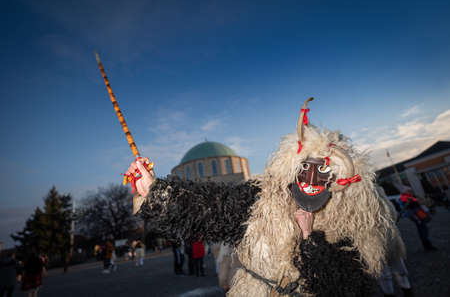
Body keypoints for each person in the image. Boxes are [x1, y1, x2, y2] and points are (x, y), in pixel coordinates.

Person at [127, 98, 398, 296]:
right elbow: (212, 208)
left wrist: (309, 238)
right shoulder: (262, 198)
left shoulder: (356, 221)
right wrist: (155, 190)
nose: (311, 180)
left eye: (322, 173)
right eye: (304, 170)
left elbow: (346, 285)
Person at [398, 187, 437, 252]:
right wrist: (416, 218)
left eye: (411, 190)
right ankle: (427, 245)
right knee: (423, 230)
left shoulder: (410, 197)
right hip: (416, 216)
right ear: (405, 192)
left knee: (423, 229)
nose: (411, 191)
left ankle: (427, 244)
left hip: (419, 215)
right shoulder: (405, 198)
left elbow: (418, 204)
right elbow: (409, 209)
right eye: (409, 191)